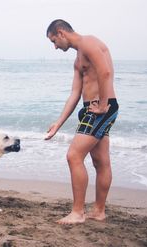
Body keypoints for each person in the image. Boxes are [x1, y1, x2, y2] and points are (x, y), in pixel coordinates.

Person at [45, 19, 119, 224]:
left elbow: (105, 72)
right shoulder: (78, 59)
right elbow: (75, 93)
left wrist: (103, 104)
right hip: (91, 108)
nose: (55, 47)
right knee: (100, 161)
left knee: (73, 155)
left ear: (60, 33)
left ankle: (78, 213)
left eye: (54, 41)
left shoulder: (88, 42)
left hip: (100, 108)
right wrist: (58, 123)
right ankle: (99, 211)